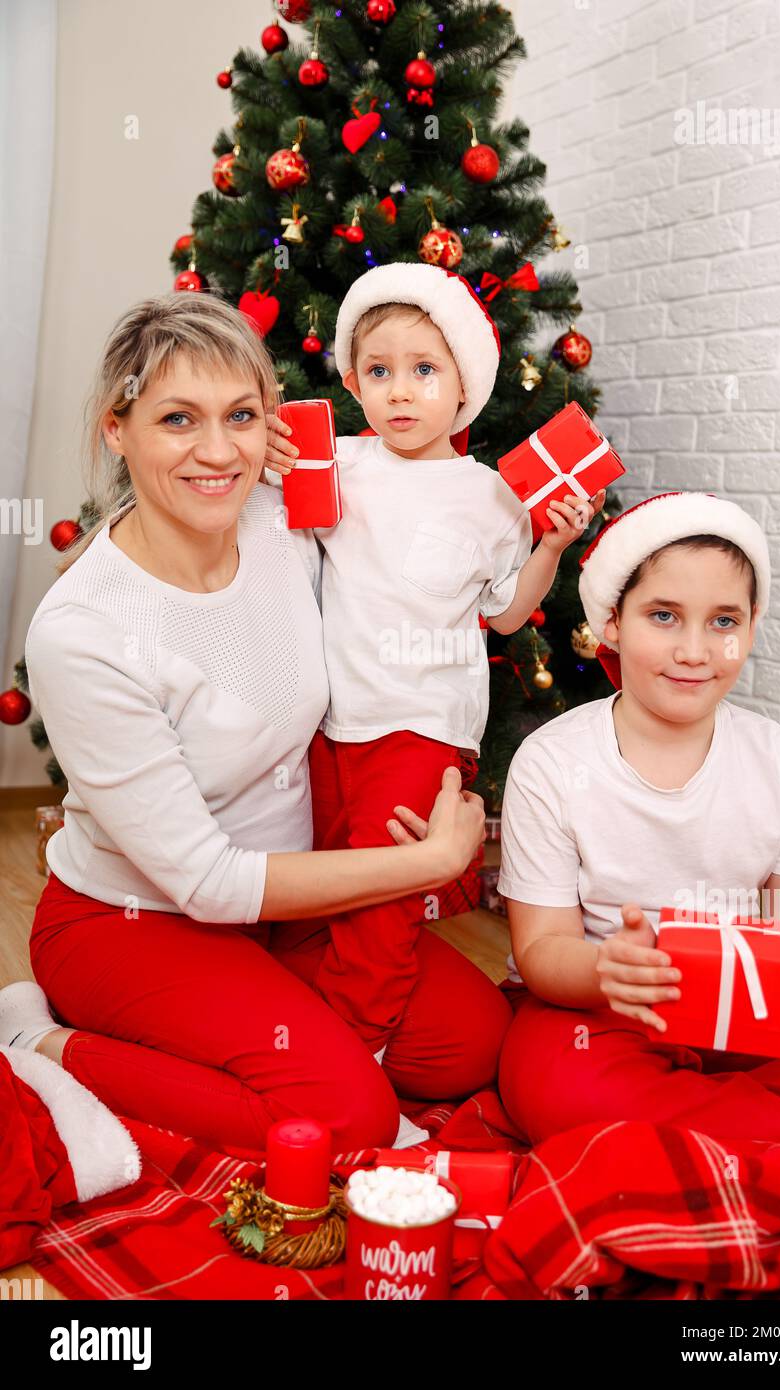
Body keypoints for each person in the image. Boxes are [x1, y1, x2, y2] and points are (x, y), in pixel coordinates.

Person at [0, 290, 504, 1160]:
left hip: (288, 907)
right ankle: (42, 1041)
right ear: (116, 429)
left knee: (470, 1043)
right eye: (177, 418)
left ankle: (266, 1023)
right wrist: (424, 865)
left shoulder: (284, 522)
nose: (217, 450)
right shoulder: (84, 629)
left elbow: (411, 525)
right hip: (136, 921)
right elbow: (206, 882)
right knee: (342, 1117)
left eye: (241, 416)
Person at [262, 262, 606, 1061]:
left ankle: (357, 1057)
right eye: (378, 372)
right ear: (354, 381)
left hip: (420, 726)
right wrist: (267, 441)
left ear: (462, 388)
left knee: (380, 908)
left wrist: (553, 543)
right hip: (328, 721)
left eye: (423, 371)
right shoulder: (337, 461)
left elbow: (508, 612)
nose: (400, 392)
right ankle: (293, 1025)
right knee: (326, 893)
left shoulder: (487, 496)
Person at [494, 491, 780, 1193]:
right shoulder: (551, 762)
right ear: (611, 623)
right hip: (605, 1019)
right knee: (549, 1076)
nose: (695, 651)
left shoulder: (778, 759)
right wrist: (608, 969)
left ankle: (725, 1133)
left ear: (751, 628)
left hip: (741, 1019)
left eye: (722, 621)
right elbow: (541, 953)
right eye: (663, 617)